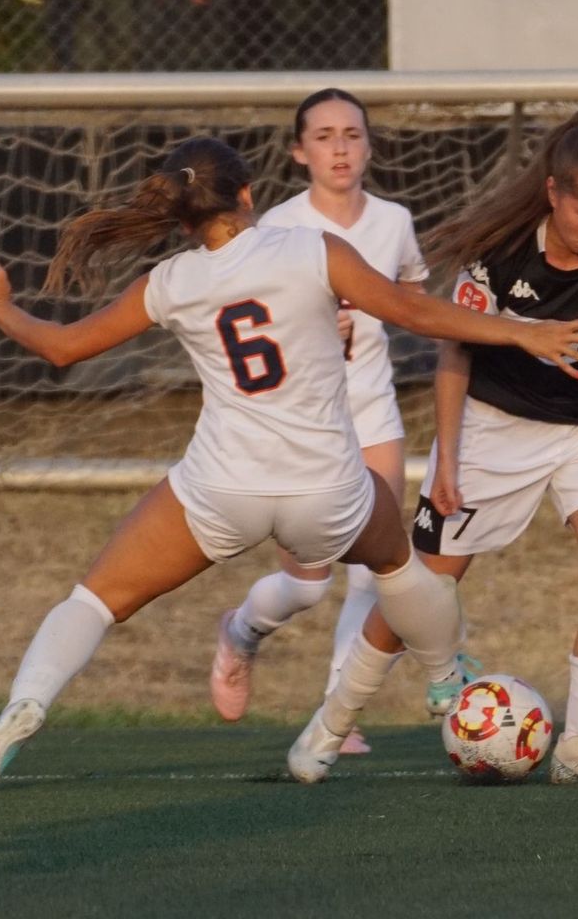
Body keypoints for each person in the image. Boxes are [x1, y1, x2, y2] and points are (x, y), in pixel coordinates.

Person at [0, 137, 578, 792]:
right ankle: (441, 676)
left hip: (221, 489)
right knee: (397, 563)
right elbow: (411, 311)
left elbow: (63, 348)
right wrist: (524, 331)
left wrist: (1, 307)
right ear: (247, 194)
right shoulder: (311, 249)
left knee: (94, 600)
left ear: (181, 220)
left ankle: (25, 705)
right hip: (326, 493)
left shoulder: (169, 282)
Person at [283, 110, 578, 787]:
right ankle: (330, 724)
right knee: (422, 594)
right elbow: (454, 353)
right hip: (492, 428)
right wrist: (449, 461)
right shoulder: (499, 257)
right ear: (553, 193)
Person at [207, 89, 431, 758]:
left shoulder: (393, 221)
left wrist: (392, 310)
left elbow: (412, 293)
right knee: (308, 587)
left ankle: (339, 712)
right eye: (325, 136)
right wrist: (307, 327)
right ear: (299, 151)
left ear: (369, 146)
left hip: (371, 413)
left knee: (376, 569)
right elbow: (243, 319)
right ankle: (240, 634)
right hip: (301, 424)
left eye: (353, 135)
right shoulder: (278, 226)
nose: (340, 148)